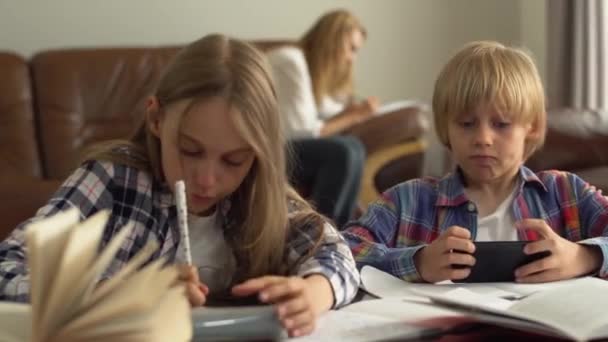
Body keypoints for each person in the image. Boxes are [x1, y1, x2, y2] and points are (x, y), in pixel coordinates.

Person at [0, 34, 359, 337]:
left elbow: (338, 254)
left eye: (234, 160)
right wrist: (126, 295)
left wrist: (315, 291)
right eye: (190, 150)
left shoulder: (256, 192)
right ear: (156, 119)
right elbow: (9, 267)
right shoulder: (113, 180)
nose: (206, 179)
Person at [342, 41, 608, 284]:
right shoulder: (407, 200)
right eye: (466, 124)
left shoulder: (565, 193)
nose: (483, 138)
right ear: (446, 129)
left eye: (501, 124)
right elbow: (342, 252)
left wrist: (585, 257)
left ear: (533, 127)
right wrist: (417, 262)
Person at [267, 9, 427, 227]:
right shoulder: (291, 61)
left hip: (292, 148)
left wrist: (352, 111)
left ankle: (340, 233)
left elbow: (325, 109)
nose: (352, 59)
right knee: (341, 152)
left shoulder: (307, 69)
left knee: (353, 147)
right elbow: (303, 130)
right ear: (333, 38)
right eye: (351, 48)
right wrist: (354, 116)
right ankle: (316, 232)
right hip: (273, 151)